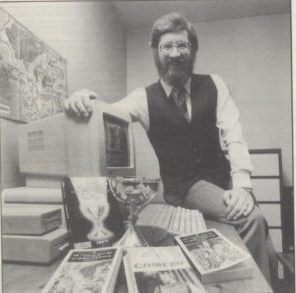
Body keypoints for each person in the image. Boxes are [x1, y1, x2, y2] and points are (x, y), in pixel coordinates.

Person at [64, 12, 278, 287]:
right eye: (167, 46)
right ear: (156, 52)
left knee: (267, 247)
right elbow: (109, 113)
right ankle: (246, 286)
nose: (175, 53)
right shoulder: (143, 98)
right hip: (187, 187)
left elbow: (234, 134)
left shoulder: (215, 84)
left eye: (182, 45)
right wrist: (85, 98)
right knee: (250, 218)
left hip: (223, 178)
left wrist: (244, 187)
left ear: (192, 50)